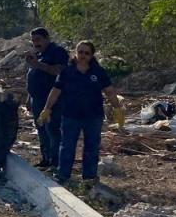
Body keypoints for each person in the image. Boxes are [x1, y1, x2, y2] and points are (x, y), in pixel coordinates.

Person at [38, 40, 125, 185]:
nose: (83, 55)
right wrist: (47, 108)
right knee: (67, 146)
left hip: (93, 116)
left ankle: (89, 177)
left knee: (92, 146)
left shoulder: (98, 72)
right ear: (75, 52)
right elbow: (55, 91)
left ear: (91, 55)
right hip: (71, 115)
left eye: (87, 53)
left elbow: (109, 91)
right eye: (80, 52)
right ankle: (63, 175)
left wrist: (117, 109)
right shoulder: (66, 72)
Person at [25, 27, 69, 170]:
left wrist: (38, 64)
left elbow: (59, 71)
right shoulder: (38, 54)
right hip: (37, 99)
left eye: (38, 40)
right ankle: (46, 159)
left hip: (52, 100)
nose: (35, 43)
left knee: (53, 130)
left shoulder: (57, 52)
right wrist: (29, 97)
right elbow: (32, 76)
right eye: (33, 41)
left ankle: (55, 162)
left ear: (47, 39)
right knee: (41, 129)